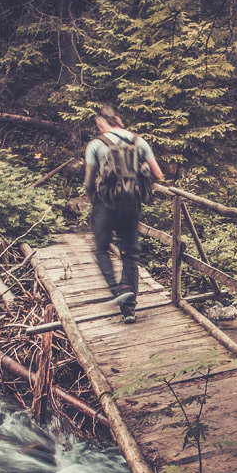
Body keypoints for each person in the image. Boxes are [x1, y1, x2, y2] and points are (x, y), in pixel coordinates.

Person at [83, 106, 164, 323]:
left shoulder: (96, 144)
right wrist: (137, 187)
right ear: (118, 120)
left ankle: (118, 291)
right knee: (130, 254)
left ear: (101, 121)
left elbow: (89, 182)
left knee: (101, 249)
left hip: (105, 205)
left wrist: (94, 197)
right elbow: (158, 174)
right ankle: (129, 309)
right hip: (132, 205)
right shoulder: (139, 141)